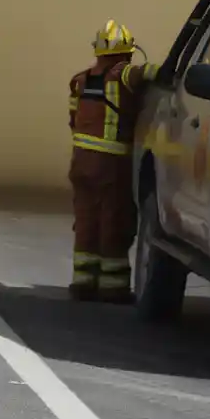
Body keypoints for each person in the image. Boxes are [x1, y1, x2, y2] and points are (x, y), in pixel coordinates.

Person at [66, 20, 159, 302]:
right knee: (114, 221)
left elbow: (74, 119)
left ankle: (82, 281)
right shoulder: (125, 75)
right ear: (127, 52)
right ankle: (112, 287)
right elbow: (156, 73)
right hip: (112, 164)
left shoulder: (80, 80)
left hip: (81, 162)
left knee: (86, 220)